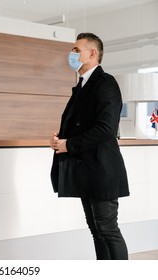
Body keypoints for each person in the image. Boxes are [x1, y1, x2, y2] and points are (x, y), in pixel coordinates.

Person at [50, 32, 129, 260]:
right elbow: (82, 126)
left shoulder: (105, 83)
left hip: (102, 169)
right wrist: (60, 140)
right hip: (88, 170)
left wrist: (69, 144)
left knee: (107, 229)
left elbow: (106, 129)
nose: (71, 54)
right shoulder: (82, 86)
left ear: (92, 53)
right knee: (96, 230)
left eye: (76, 50)